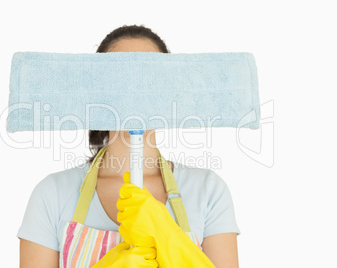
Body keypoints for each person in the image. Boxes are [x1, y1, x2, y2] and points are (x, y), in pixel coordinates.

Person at [18, 24, 240, 267]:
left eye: (150, 78)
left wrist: (166, 235)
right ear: (98, 92)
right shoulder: (52, 195)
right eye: (121, 78)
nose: (135, 91)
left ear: (169, 92)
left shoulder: (208, 192)